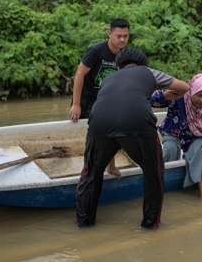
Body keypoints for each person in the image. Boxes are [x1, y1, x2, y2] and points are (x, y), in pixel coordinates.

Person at [75, 49, 190, 230]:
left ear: (118, 67)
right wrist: (166, 95)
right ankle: (150, 226)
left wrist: (110, 166)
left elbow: (114, 112)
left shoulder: (108, 79)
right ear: (142, 64)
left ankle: (84, 224)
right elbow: (184, 87)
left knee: (90, 175)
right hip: (137, 122)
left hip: (99, 123)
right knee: (154, 174)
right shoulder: (148, 72)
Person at [151, 74, 202, 200]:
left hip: (196, 136)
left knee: (200, 151)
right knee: (169, 149)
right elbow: (152, 101)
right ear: (192, 90)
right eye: (198, 95)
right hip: (173, 132)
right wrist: (165, 95)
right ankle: (159, 184)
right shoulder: (179, 95)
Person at [69, 19, 130, 122]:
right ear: (109, 34)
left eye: (126, 36)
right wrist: (76, 104)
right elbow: (79, 74)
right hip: (87, 101)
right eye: (119, 36)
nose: (122, 40)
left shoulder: (126, 55)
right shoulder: (96, 51)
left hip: (107, 101)